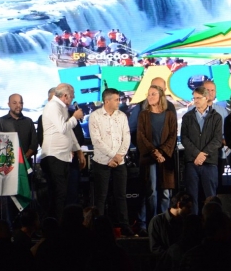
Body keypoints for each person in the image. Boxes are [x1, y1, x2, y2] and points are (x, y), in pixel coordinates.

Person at [88, 88, 131, 235]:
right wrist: (113, 155)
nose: (119, 102)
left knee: (121, 195)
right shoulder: (95, 116)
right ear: (107, 101)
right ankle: (98, 228)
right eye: (116, 100)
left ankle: (125, 226)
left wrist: (119, 156)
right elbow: (96, 140)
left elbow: (127, 137)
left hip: (120, 162)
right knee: (101, 197)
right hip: (101, 162)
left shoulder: (122, 116)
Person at [39, 83, 86, 219]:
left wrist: (78, 150)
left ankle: (60, 222)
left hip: (63, 156)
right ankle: (55, 224)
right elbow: (62, 128)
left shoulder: (62, 107)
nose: (73, 98)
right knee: (59, 193)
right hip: (54, 156)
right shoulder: (53, 106)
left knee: (63, 193)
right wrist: (75, 117)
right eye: (72, 95)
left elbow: (69, 131)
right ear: (65, 95)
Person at [137, 85, 177, 224]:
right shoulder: (143, 115)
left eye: (153, 94)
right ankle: (153, 223)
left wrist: (162, 152)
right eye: (148, 94)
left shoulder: (170, 115)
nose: (150, 97)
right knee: (151, 191)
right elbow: (141, 136)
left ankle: (165, 222)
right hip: (149, 158)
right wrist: (154, 152)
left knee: (165, 192)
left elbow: (172, 136)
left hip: (165, 158)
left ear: (161, 96)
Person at [180, 86, 222, 215]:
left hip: (209, 162)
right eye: (194, 98)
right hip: (192, 162)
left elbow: (217, 140)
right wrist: (196, 154)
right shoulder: (187, 117)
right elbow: (184, 138)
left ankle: (212, 222)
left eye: (198, 98)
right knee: (192, 197)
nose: (196, 100)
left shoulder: (216, 117)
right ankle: (194, 223)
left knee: (210, 196)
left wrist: (203, 155)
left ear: (207, 98)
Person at [202, 79, 229, 190]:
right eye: (207, 90)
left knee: (217, 185)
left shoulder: (222, 111)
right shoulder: (192, 110)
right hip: (200, 154)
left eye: (212, 90)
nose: (210, 92)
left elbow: (226, 132)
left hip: (218, 154)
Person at [148, 190, 194, 256]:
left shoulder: (187, 221)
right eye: (188, 207)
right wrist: (171, 257)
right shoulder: (157, 221)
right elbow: (155, 248)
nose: (190, 211)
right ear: (179, 205)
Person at [0, 94, 38, 160]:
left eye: (20, 103)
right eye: (14, 103)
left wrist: (25, 156)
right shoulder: (0, 121)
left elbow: (34, 142)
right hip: (7, 162)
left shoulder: (28, 121)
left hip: (26, 162)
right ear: (9, 104)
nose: (18, 105)